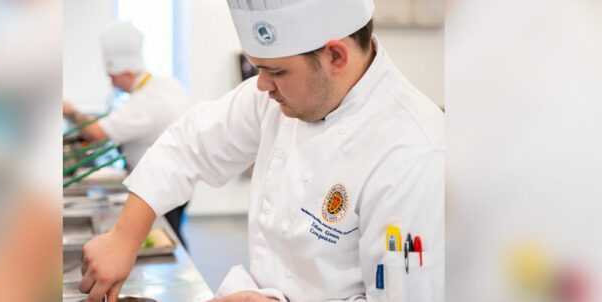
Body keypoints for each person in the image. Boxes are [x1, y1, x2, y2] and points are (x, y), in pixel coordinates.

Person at [79, 0, 444, 301]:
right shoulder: (276, 97)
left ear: (335, 56)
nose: (263, 86)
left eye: (277, 71)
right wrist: (123, 237)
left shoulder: (413, 155)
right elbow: (189, 144)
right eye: (258, 69)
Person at [63, 22, 190, 245]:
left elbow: (98, 132)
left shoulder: (147, 101)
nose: (111, 83)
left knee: (170, 235)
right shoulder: (164, 85)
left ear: (128, 72)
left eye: (113, 77)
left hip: (162, 184)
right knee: (173, 230)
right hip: (176, 179)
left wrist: (71, 110)